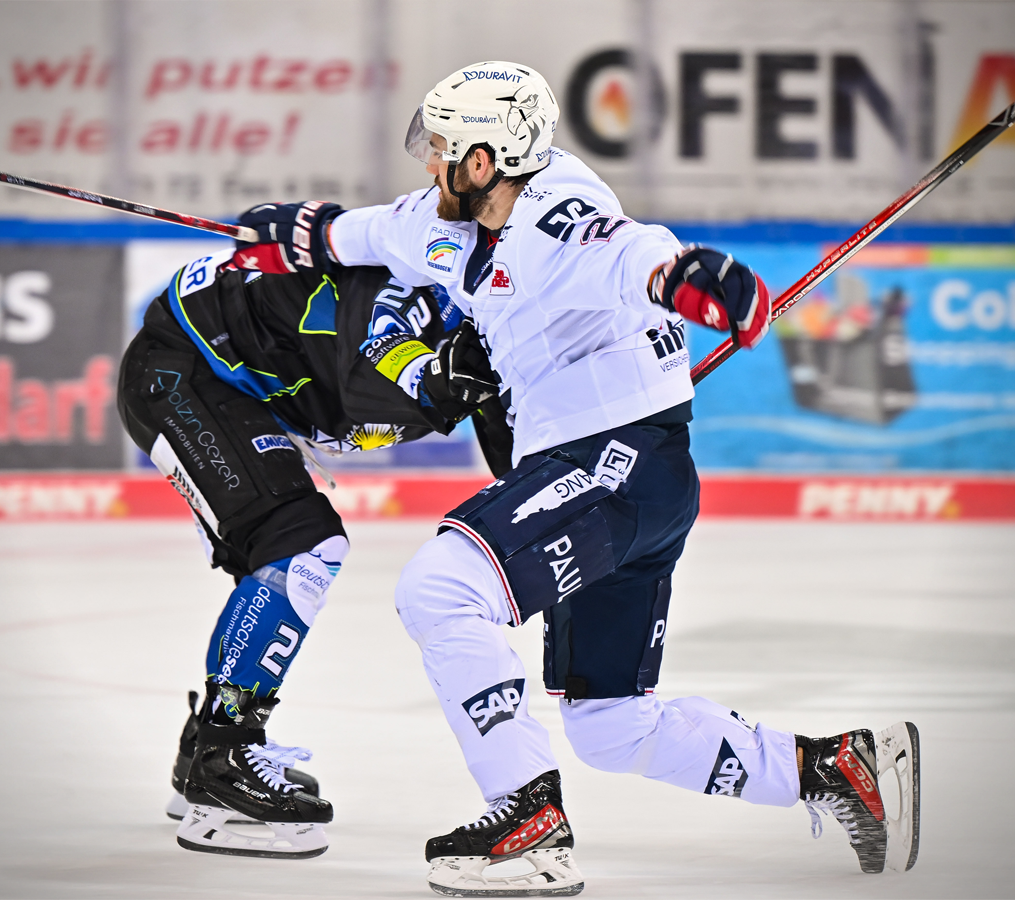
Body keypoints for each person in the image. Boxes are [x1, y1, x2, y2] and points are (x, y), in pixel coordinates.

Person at [226, 61, 921, 893]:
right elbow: (370, 235)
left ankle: (526, 819)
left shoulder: (560, 216)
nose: (429, 160)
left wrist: (690, 279)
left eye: (441, 146)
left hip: (613, 463)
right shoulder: (448, 220)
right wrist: (301, 233)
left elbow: (633, 257)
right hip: (635, 478)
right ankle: (840, 770)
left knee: (442, 586)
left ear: (484, 159)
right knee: (612, 726)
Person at [117, 250, 511, 859]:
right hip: (183, 372)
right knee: (298, 541)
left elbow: (513, 448)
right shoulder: (428, 291)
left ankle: (207, 751)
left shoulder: (499, 321)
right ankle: (225, 756)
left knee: (276, 558)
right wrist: (439, 382)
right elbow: (367, 377)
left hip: (222, 386)